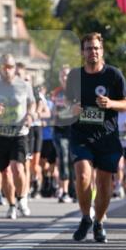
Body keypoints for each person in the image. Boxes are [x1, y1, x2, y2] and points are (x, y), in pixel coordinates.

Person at [66, 32, 126, 243]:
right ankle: (86, 216)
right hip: (81, 134)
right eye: (88, 48)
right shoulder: (75, 76)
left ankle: (99, 221)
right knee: (83, 175)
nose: (92, 52)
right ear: (82, 52)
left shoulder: (113, 74)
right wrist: (72, 108)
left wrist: (111, 104)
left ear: (101, 51)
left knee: (104, 184)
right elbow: (67, 104)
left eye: (96, 48)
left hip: (107, 136)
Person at [0, 53, 36, 220]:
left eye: (11, 67)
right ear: (0, 68)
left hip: (19, 133)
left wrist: (30, 115)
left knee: (18, 168)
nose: (8, 70)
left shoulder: (23, 85)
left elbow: (32, 103)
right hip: (0, 134)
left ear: (15, 68)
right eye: (5, 66)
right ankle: (12, 205)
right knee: (5, 172)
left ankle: (22, 198)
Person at [50, 65, 74, 203]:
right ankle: (64, 191)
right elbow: (53, 111)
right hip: (59, 130)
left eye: (67, 75)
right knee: (63, 156)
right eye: (62, 75)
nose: (65, 78)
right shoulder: (57, 92)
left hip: (74, 129)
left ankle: (74, 189)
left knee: (74, 159)